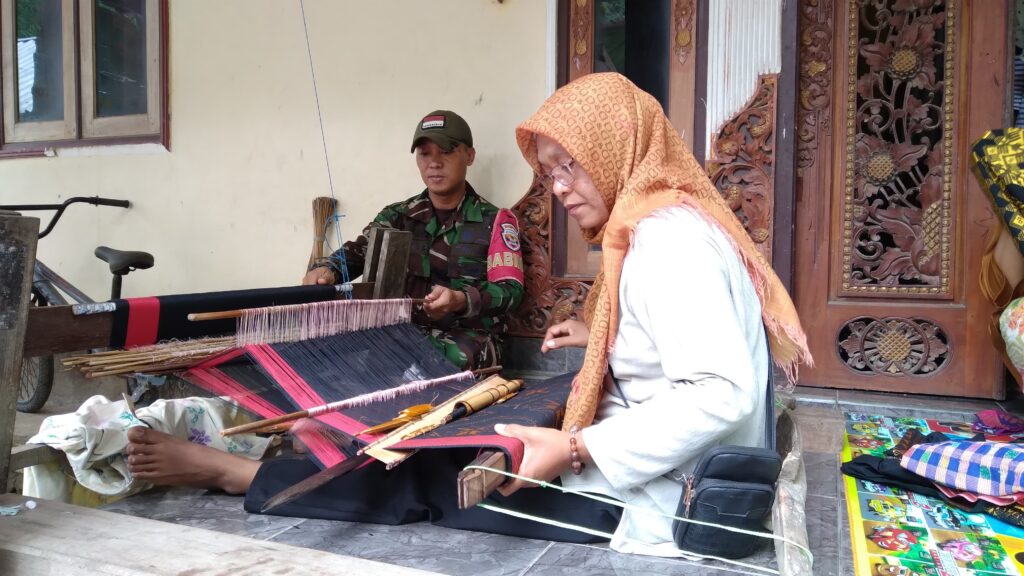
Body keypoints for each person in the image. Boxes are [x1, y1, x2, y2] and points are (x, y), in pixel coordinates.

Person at [126, 74, 811, 555]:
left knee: (432, 473)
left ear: (615, 148)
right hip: (670, 467)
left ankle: (234, 474)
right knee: (456, 428)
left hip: (667, 499)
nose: (561, 187)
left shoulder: (666, 243)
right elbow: (686, 346)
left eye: (570, 166)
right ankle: (338, 433)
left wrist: (575, 446)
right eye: (550, 173)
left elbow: (723, 392)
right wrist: (604, 335)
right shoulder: (662, 226)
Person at [303, 110, 524, 370]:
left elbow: (511, 291)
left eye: (446, 151)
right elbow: (360, 251)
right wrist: (329, 270)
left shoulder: (495, 221)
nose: (434, 162)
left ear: (469, 156)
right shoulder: (398, 216)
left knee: (437, 360)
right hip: (404, 335)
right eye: (425, 153)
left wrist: (461, 299)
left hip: (468, 341)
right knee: (320, 354)